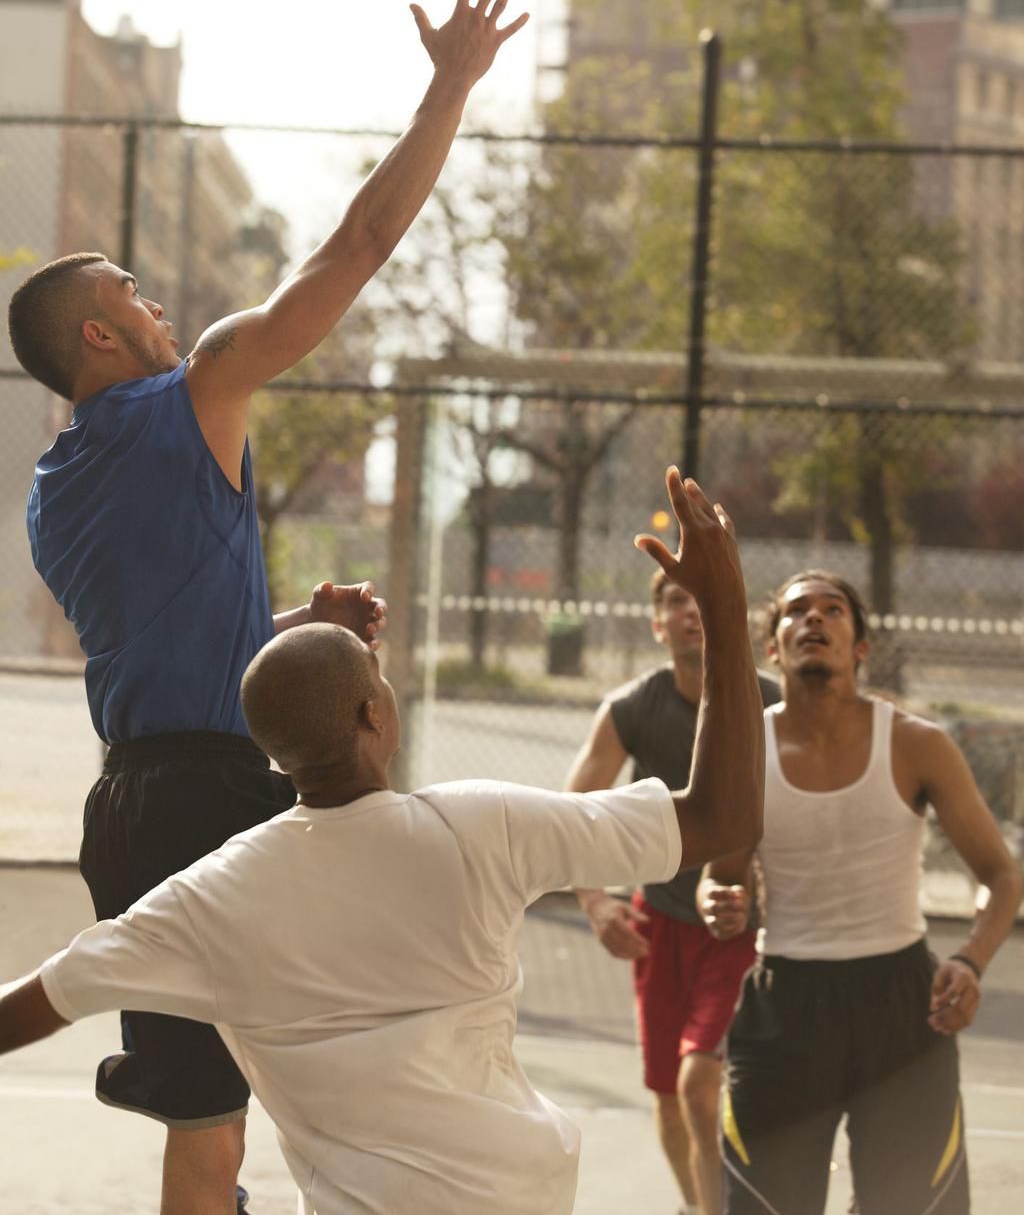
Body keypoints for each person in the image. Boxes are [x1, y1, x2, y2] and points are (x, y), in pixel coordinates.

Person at [5, 0, 529, 1215]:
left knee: (207, 1125)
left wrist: (290, 627)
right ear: (98, 335)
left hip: (130, 802)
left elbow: (164, 645)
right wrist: (450, 89)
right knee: (351, 1072)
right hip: (227, 799)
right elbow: (357, 247)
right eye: (129, 291)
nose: (155, 301)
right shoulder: (196, 391)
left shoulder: (53, 491)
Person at [0, 470, 766, 1215]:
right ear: (375, 716)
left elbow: (36, 1003)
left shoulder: (214, 896)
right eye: (380, 679)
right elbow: (721, 817)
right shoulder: (485, 826)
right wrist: (725, 607)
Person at [698, 568, 1023, 1215]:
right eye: (796, 612)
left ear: (861, 648)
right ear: (773, 647)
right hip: (786, 1005)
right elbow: (721, 876)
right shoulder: (744, 751)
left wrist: (970, 961)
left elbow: (1002, 874)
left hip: (901, 1005)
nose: (814, 619)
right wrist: (717, 901)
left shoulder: (917, 745)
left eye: (833, 610)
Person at [565, 569, 780, 1215]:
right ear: (658, 625)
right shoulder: (632, 708)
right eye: (677, 602)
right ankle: (699, 1206)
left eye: (702, 600)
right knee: (668, 1096)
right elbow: (572, 813)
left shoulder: (771, 705)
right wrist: (596, 902)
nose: (692, 612)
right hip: (658, 922)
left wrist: (767, 892)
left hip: (739, 929)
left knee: (700, 1083)